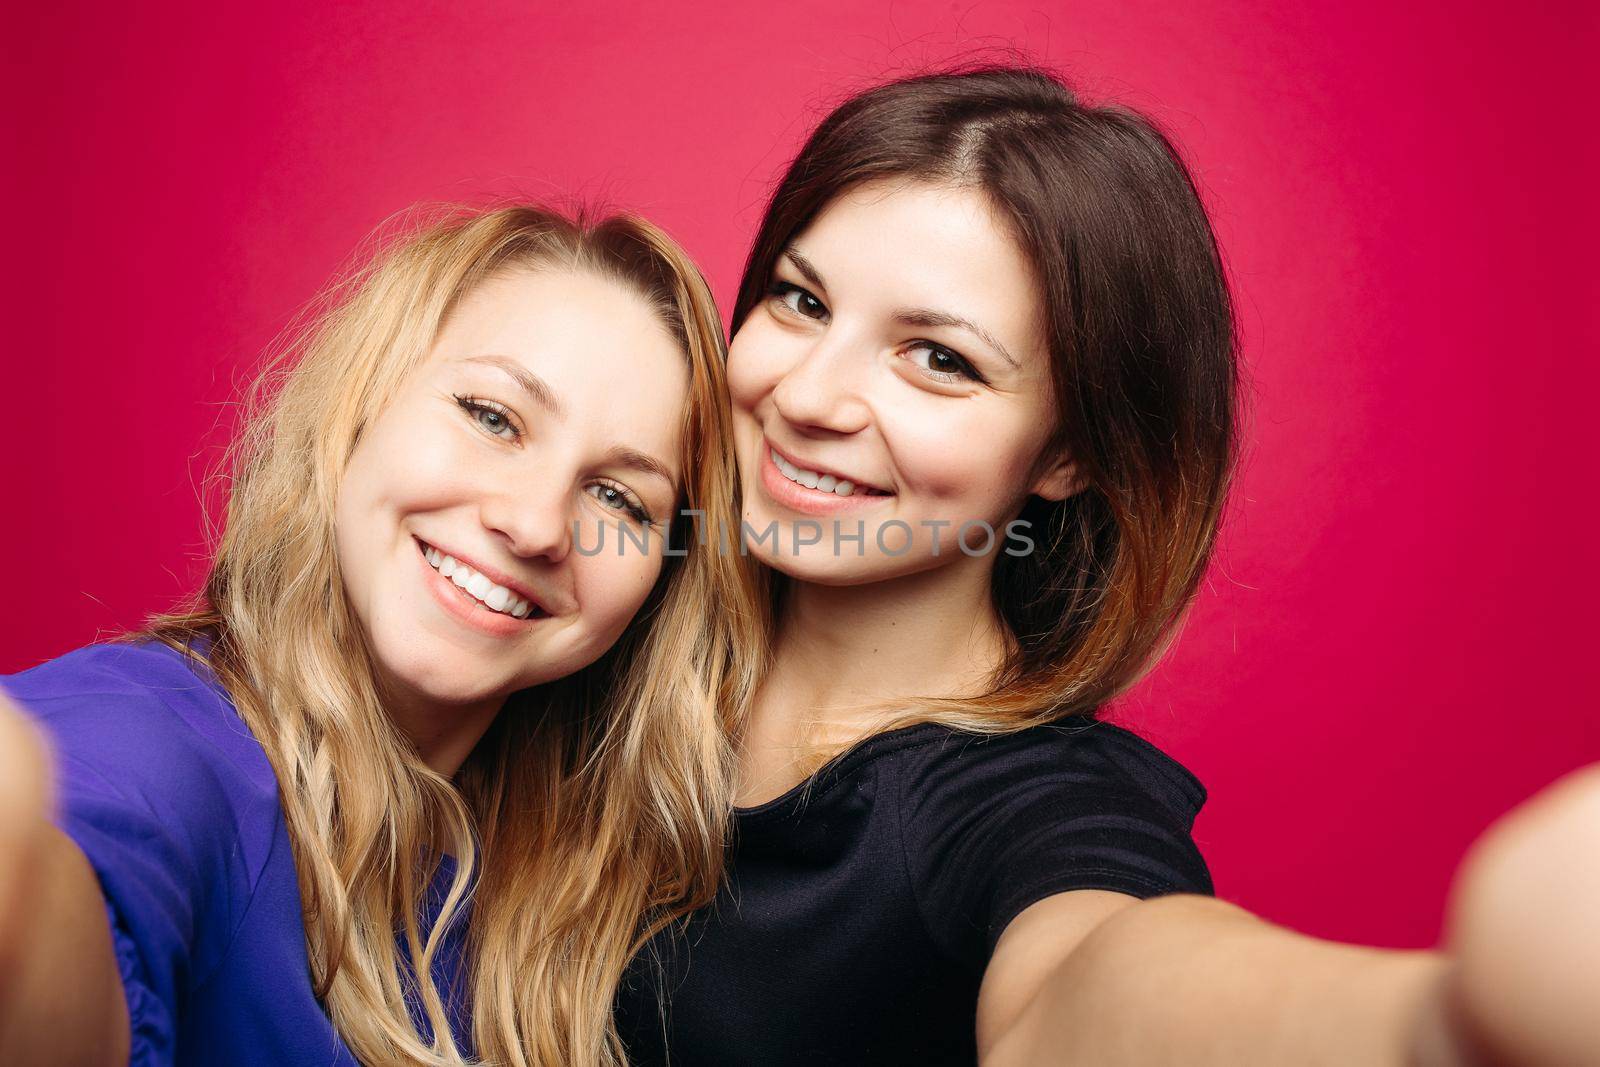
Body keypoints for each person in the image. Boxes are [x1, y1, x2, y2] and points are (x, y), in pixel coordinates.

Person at [614, 66, 1600, 1066]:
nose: (810, 394)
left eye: (939, 358)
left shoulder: (1032, 809)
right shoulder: (607, 619)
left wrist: (1431, 1026)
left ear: (1067, 452)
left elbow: (1091, 974)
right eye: (801, 300)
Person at [0, 205, 763, 1066]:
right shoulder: (156, 743)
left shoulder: (563, 914)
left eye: (621, 499)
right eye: (493, 416)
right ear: (360, 407)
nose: (537, 523)